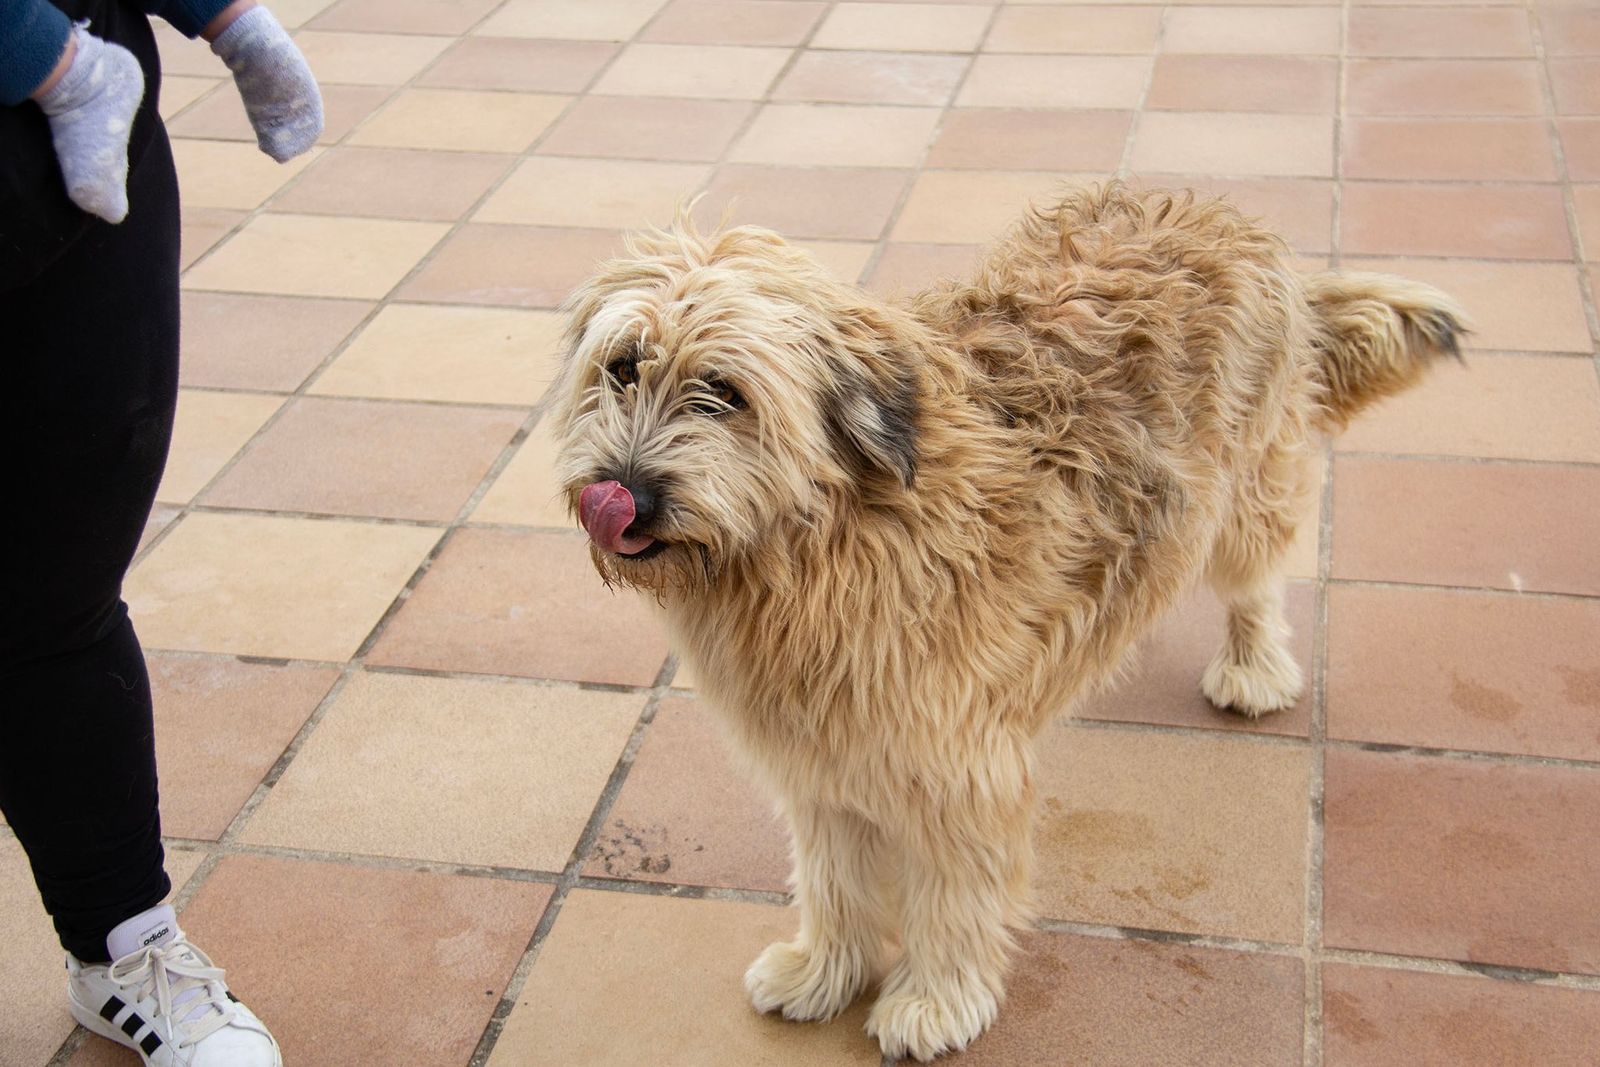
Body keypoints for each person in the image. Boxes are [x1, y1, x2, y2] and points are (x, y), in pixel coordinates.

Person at [1, 2, 320, 1062]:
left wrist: (221, 16)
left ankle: (123, 949)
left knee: (59, 592)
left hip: (75, 147)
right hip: (64, 78)